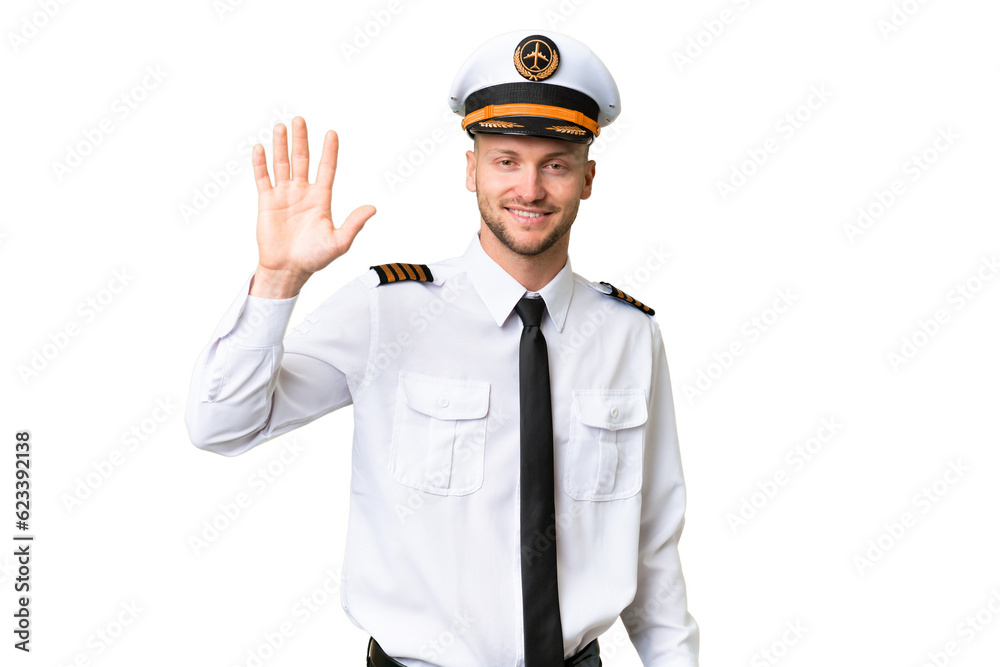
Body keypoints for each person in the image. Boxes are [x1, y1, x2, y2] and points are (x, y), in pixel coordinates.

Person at [186, 29, 699, 667]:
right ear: (471, 169)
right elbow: (220, 424)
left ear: (587, 178)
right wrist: (278, 281)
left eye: (555, 164)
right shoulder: (387, 309)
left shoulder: (629, 335)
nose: (530, 189)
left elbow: (650, 550)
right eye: (506, 160)